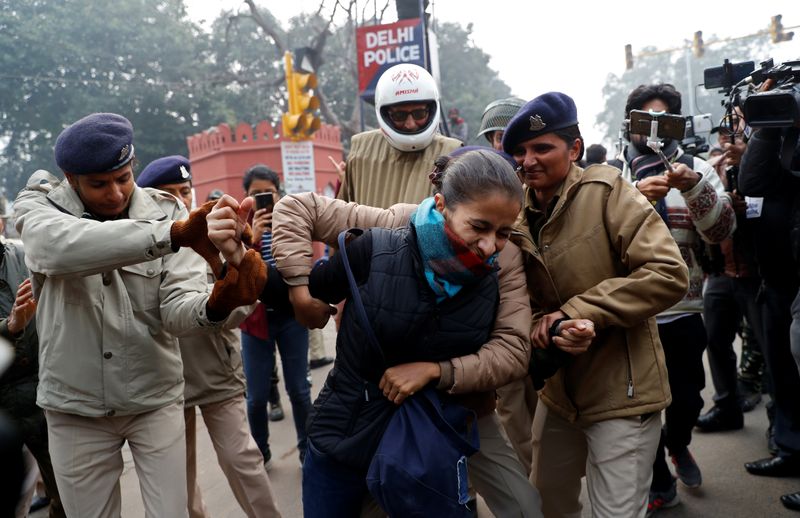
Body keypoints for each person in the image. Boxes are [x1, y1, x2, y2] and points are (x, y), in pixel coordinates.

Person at [208, 149, 547, 517]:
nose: (488, 245)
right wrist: (238, 256)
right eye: (478, 227)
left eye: (503, 232)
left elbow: (512, 352)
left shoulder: (497, 273)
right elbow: (298, 290)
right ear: (442, 204)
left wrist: (435, 371)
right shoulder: (380, 244)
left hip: (435, 432)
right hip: (347, 428)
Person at [13, 112, 263, 517]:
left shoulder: (167, 210)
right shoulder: (40, 206)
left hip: (155, 396)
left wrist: (217, 302)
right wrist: (174, 235)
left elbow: (175, 312)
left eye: (123, 178)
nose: (114, 193)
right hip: (74, 405)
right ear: (70, 177)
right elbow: (54, 249)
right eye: (99, 184)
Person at [501, 91, 689, 518]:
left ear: (575, 149)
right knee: (545, 504)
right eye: (521, 151)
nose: (528, 160)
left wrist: (578, 312)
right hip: (558, 395)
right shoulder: (513, 214)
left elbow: (667, 273)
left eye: (542, 148)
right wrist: (541, 326)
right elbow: (513, 298)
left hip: (622, 391)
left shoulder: (607, 191)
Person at [136, 156, 281, 518]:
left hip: (216, 369)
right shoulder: (138, 242)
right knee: (178, 478)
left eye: (183, 191)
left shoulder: (211, 234)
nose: (179, 201)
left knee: (242, 460)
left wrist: (227, 290)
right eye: (166, 194)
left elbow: (243, 306)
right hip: (165, 378)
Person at [613, 84, 736, 512]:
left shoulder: (696, 166)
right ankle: (659, 481)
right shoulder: (615, 176)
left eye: (662, 121)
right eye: (643, 121)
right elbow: (603, 246)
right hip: (634, 313)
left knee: (687, 399)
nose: (652, 132)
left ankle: (679, 443)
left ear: (676, 125)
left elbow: (721, 231)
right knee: (642, 410)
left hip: (685, 309)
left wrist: (694, 187)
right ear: (630, 125)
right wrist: (635, 202)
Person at [737, 100, 800, 512]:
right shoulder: (777, 141)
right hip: (776, 279)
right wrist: (768, 127)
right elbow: (752, 181)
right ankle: (792, 451)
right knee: (783, 374)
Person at [238, 164, 313, 467]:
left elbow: (303, 260)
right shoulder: (238, 226)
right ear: (246, 197)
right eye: (255, 194)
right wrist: (252, 237)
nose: (262, 199)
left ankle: (309, 451)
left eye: (267, 193)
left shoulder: (291, 220)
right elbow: (235, 272)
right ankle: (261, 452)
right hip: (254, 322)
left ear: (278, 193)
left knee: (299, 389)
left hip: (291, 316)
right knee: (256, 397)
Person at [696, 114, 766, 433]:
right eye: (724, 133)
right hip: (721, 269)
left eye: (735, 131)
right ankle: (727, 406)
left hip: (758, 270)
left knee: (770, 347)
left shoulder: (765, 157)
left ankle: (781, 427)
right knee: (715, 340)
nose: (728, 140)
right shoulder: (713, 166)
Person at [0, 219, 65, 518]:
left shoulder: (24, 255)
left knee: (68, 494)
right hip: (5, 404)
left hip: (44, 390)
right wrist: (10, 327)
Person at [336, 63, 462, 208]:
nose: (410, 124)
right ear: (385, 115)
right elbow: (341, 214)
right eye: (399, 115)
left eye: (419, 114)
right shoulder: (360, 151)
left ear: (431, 110)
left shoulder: (453, 153)